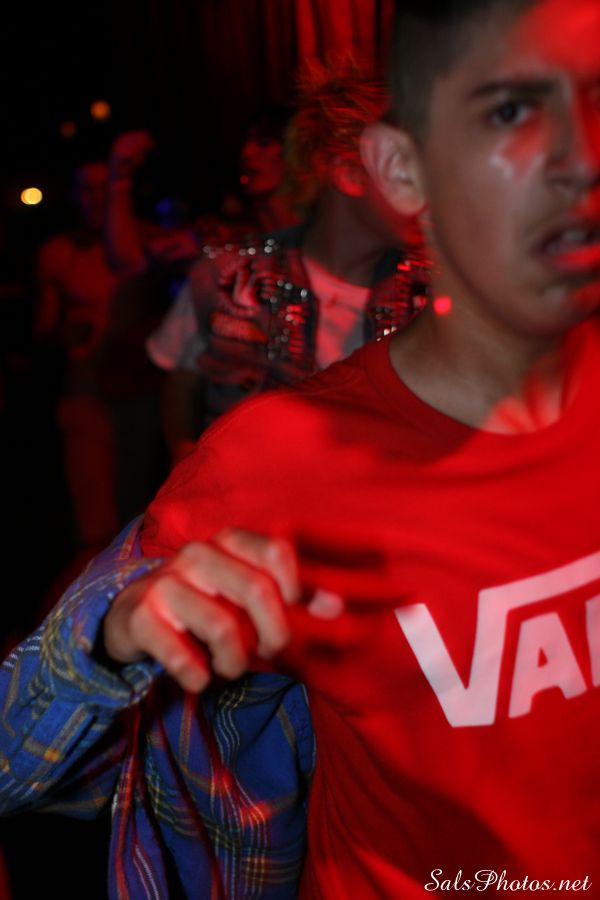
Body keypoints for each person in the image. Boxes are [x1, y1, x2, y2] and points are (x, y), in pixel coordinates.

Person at [2, 1, 600, 898]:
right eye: (514, 112)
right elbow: (13, 756)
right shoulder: (277, 455)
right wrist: (115, 636)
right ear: (399, 169)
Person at [148, 63, 427, 462]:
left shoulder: (435, 295)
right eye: (409, 167)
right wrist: (186, 458)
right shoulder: (228, 275)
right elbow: (181, 380)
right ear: (349, 174)